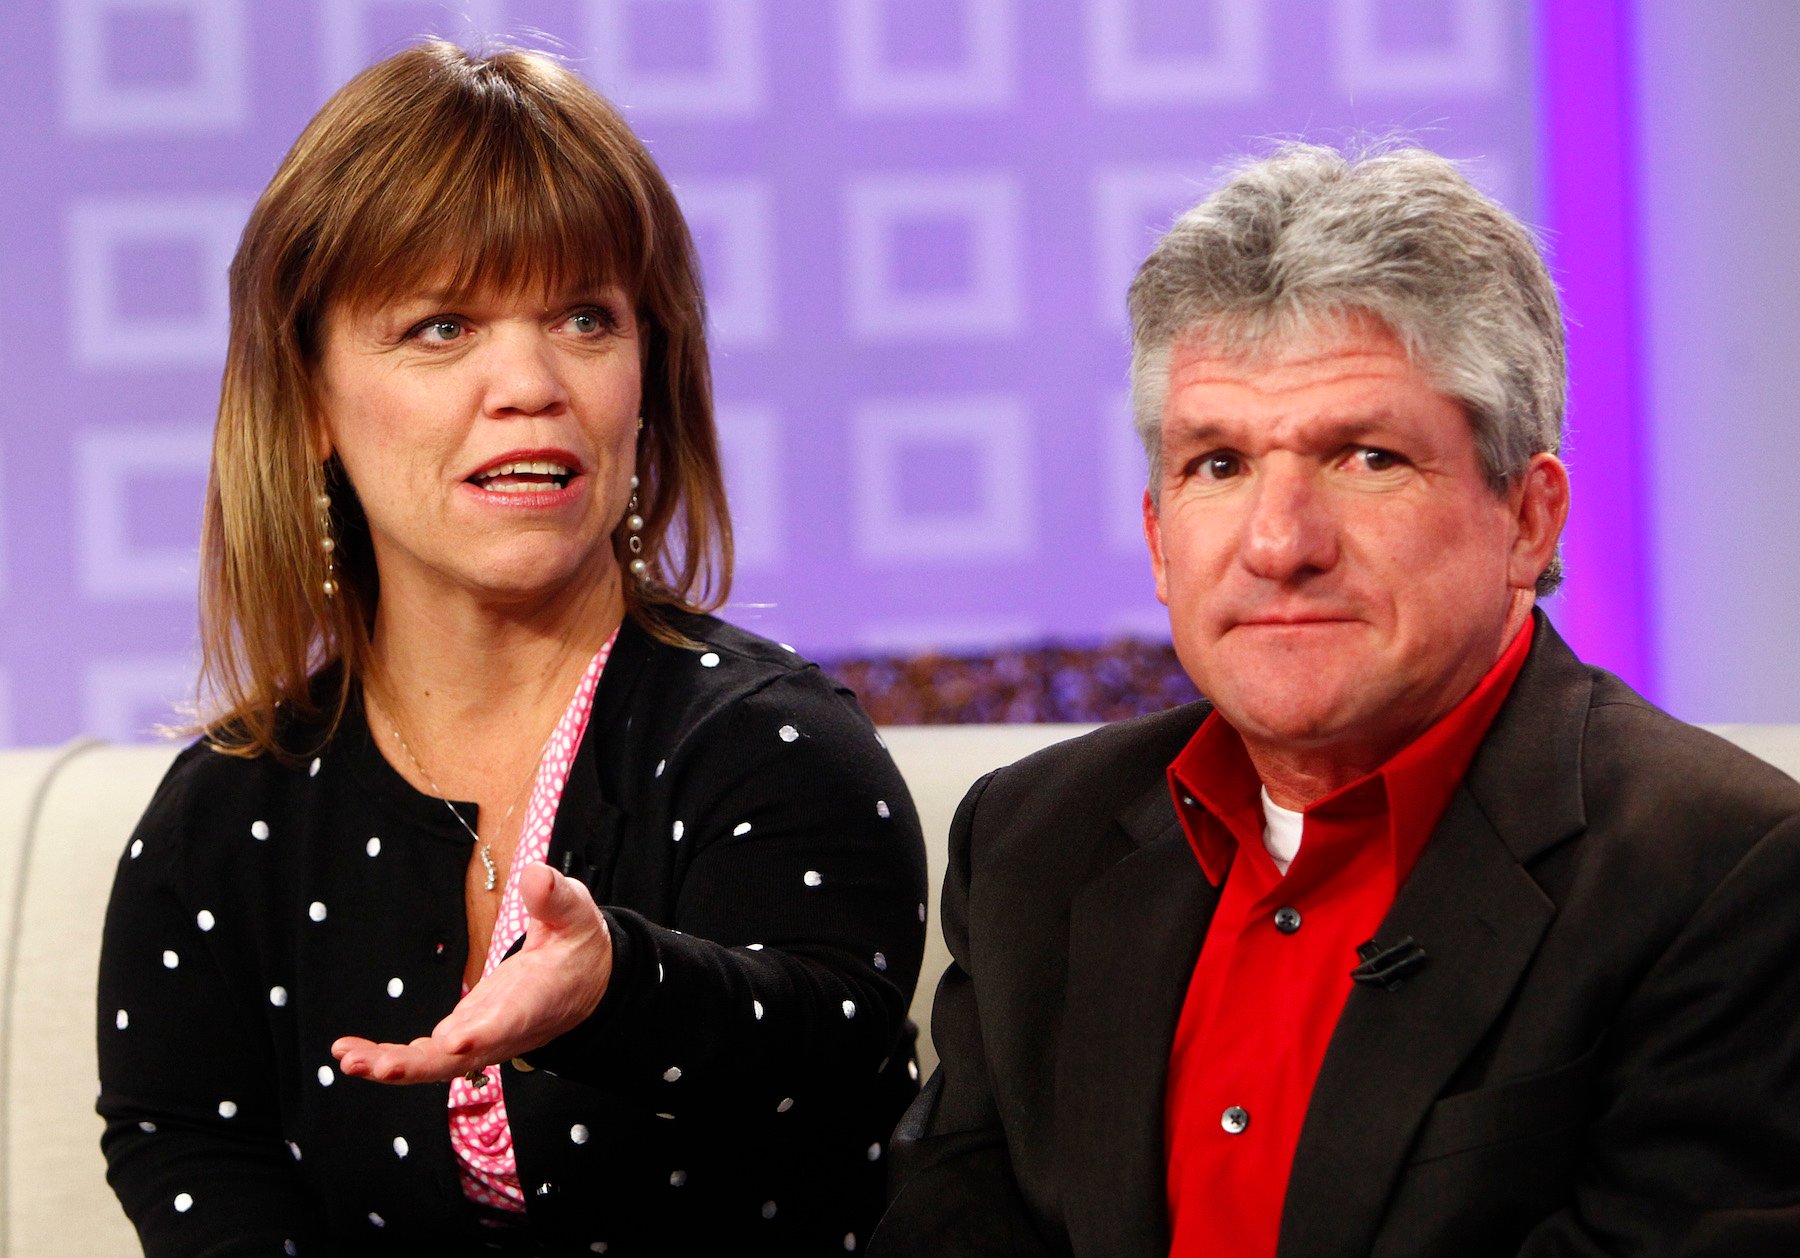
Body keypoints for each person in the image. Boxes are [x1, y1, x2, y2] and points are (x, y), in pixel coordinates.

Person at [872, 143, 1800, 1257]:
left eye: (1366, 456)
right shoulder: (1033, 841)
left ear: (1528, 519)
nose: (1278, 544)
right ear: (1158, 538)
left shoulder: (1725, 876)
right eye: (1218, 464)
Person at [97, 40, 926, 1257]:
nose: (530, 383)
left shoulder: (776, 749)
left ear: (648, 373)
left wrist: (618, 990)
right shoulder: (224, 818)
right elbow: (183, 1140)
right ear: (312, 399)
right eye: (442, 327)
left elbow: (832, 1050)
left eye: (586, 318)